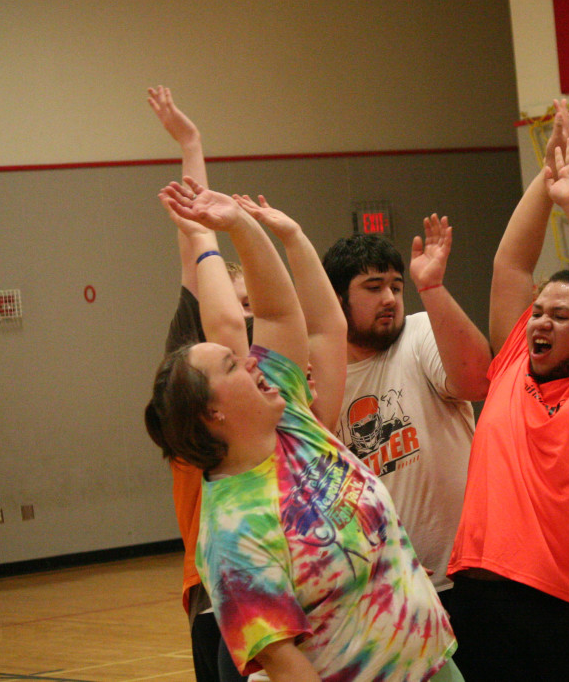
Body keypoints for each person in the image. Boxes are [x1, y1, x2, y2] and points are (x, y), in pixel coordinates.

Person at [146, 178, 458, 681]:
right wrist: (204, 239)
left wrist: (240, 224)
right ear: (212, 413)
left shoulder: (289, 421)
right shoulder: (232, 531)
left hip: (433, 665)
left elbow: (279, 311)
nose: (251, 363)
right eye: (232, 365)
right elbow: (285, 664)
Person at [446, 107, 569, 681]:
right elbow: (511, 262)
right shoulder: (511, 364)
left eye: (560, 316)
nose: (539, 323)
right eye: (537, 312)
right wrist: (546, 178)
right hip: (483, 602)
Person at [321, 219, 489, 606]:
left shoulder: (420, 331)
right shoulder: (324, 378)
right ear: (336, 297)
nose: (390, 299)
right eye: (373, 287)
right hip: (383, 588)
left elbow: (477, 382)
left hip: (467, 577)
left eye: (396, 287)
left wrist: (432, 288)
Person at [147, 84, 248, 682]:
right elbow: (195, 252)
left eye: (245, 307)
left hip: (284, 585)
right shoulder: (190, 396)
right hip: (214, 590)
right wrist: (192, 143)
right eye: (230, 303)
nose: (237, 317)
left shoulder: (270, 390)